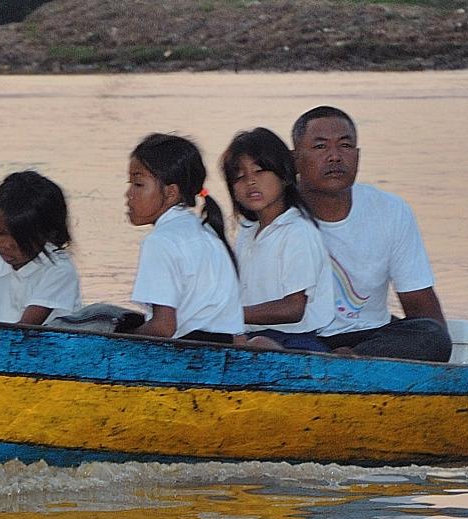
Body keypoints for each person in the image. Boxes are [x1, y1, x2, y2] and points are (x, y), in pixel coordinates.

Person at [290, 106, 451, 361]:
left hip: (368, 340)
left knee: (431, 335)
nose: (334, 157)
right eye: (320, 147)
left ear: (357, 155)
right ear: (295, 158)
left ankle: (348, 361)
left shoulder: (390, 209)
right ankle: (336, 363)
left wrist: (439, 350)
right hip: (299, 340)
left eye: (345, 145)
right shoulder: (275, 212)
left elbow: (419, 301)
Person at [124, 133, 244, 343]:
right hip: (226, 349)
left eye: (138, 184)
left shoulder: (161, 241)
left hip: (192, 356)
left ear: (170, 193)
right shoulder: (207, 232)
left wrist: (120, 339)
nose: (128, 194)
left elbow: (163, 327)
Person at [221, 127, 334, 352]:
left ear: (284, 176)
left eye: (260, 171)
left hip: (297, 343)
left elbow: (293, 309)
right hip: (254, 334)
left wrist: (231, 314)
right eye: (240, 176)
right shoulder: (247, 231)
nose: (250, 182)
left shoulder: (297, 231)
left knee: (258, 345)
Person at [0, 170, 80, 325]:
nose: (6, 245)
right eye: (1, 233)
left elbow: (25, 330)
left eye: (19, 239)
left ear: (47, 234)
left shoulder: (59, 269)